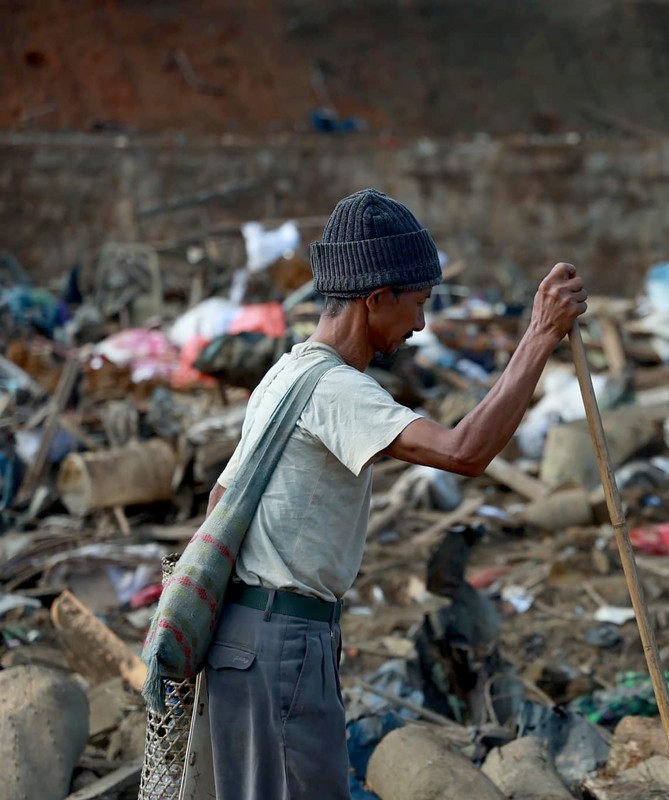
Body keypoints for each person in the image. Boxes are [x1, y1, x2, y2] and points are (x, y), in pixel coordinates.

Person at [202, 188, 588, 799]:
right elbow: (465, 452)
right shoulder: (334, 391)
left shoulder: (288, 372)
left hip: (253, 639)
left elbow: (219, 501)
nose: (421, 324)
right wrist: (539, 337)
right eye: (417, 303)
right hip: (279, 644)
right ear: (376, 298)